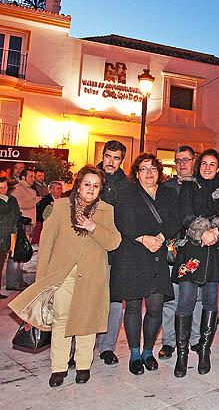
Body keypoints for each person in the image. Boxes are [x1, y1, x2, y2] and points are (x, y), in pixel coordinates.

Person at [9, 165, 121, 387]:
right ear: (78, 186)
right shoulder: (60, 207)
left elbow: (114, 242)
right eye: (87, 184)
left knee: (86, 321)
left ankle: (83, 365)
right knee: (61, 320)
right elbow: (47, 243)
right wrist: (42, 280)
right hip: (62, 274)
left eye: (96, 185)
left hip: (91, 276)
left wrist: (93, 227)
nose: (91, 189)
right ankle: (58, 367)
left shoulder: (106, 210)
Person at [110, 154, 180, 376]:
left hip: (157, 255)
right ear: (137, 173)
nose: (149, 173)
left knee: (155, 306)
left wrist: (160, 236)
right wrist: (142, 238)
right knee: (132, 307)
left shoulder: (168, 193)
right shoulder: (126, 192)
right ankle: (134, 354)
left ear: (159, 171)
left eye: (153, 169)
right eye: (143, 169)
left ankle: (148, 351)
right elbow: (120, 219)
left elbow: (176, 219)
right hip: (132, 254)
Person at [174, 149, 219, 377]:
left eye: (212, 164)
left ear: (218, 168)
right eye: (204, 164)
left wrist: (216, 230)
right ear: (198, 165)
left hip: (215, 254)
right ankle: (182, 356)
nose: (208, 167)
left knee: (211, 302)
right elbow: (185, 215)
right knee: (186, 302)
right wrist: (202, 231)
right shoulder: (188, 187)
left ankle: (204, 351)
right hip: (192, 251)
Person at [158, 146, 203, 360]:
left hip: (197, 249)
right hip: (173, 249)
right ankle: (169, 341)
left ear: (194, 160)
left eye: (186, 159)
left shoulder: (201, 185)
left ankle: (194, 339)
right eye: (178, 161)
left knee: (197, 297)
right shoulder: (165, 188)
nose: (182, 164)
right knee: (171, 298)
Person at [95, 140, 130, 366]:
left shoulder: (127, 185)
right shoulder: (90, 177)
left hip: (116, 251)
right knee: (87, 298)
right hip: (90, 249)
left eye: (116, 158)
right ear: (103, 154)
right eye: (108, 156)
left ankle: (107, 347)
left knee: (115, 302)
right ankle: (80, 347)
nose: (111, 162)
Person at [7, 168, 40, 291]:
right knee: (16, 252)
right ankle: (13, 281)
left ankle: (19, 280)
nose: (33, 179)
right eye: (31, 176)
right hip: (20, 225)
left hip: (29, 224)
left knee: (23, 253)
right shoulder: (17, 189)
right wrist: (34, 201)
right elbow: (19, 204)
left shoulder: (31, 190)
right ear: (23, 178)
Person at [0, 177, 21, 299]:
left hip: (8, 236)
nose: (3, 190)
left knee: (1, 263)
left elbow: (16, 213)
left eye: (5, 187)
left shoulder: (12, 199)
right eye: (0, 188)